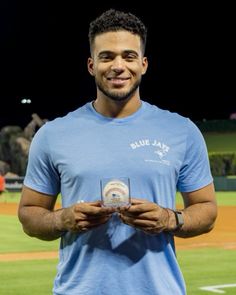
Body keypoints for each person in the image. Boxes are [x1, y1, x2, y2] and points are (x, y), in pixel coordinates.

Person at [18, 9, 217, 295]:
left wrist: (169, 219)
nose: (118, 66)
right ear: (91, 65)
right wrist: (62, 219)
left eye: (129, 56)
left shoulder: (182, 131)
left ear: (144, 64)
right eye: (107, 56)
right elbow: (28, 215)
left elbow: (207, 210)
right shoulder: (53, 135)